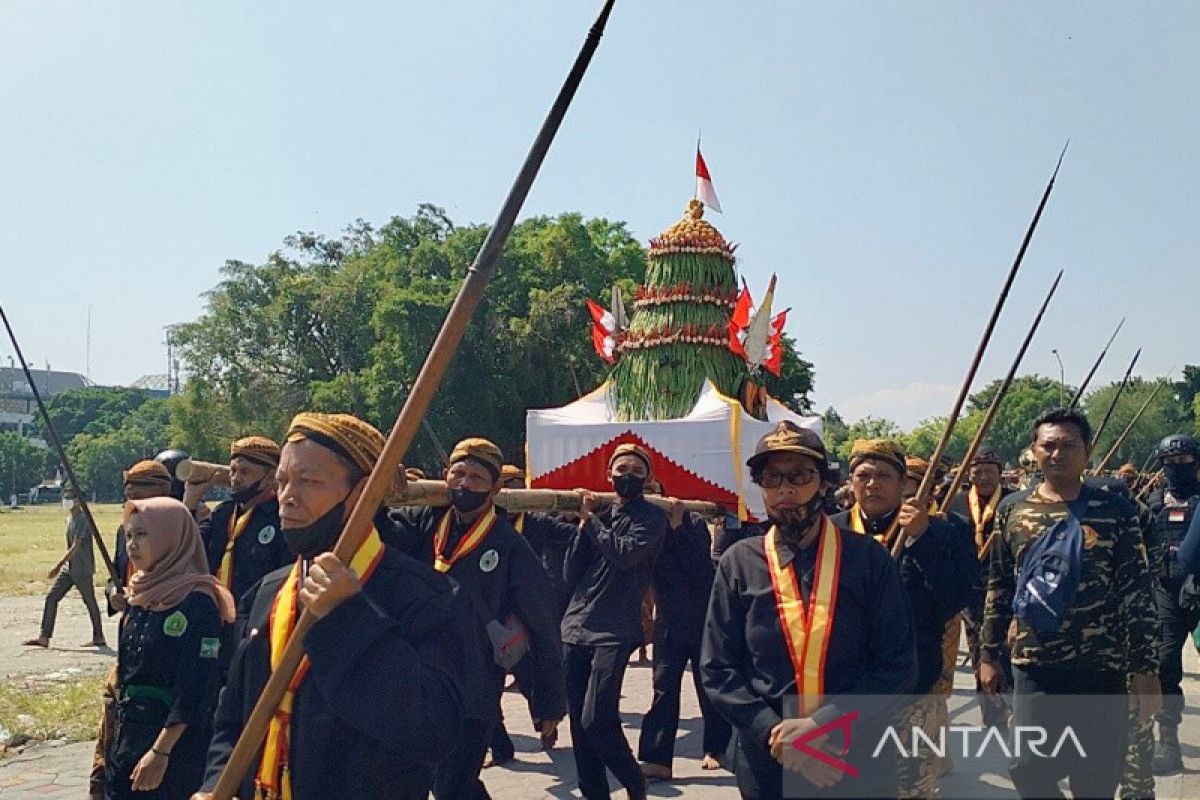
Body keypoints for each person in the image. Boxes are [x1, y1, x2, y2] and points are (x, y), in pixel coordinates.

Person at [197, 412, 470, 800]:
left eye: (308, 481)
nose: (287, 496)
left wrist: (348, 616)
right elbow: (231, 717)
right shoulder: (266, 594)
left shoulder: (424, 596)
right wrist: (214, 786)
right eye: (282, 481)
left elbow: (433, 731)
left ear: (361, 495)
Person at [702, 422, 917, 799]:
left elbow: (897, 666)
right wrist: (773, 731)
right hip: (769, 755)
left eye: (800, 475)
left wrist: (823, 726)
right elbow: (718, 669)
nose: (785, 489)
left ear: (824, 484)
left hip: (854, 750)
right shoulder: (739, 562)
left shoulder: (868, 559)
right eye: (771, 477)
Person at [980, 407, 1161, 799]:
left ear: (1087, 451)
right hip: (1034, 665)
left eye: (1068, 446)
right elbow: (998, 585)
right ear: (1034, 451)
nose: (1057, 454)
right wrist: (988, 653)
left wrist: (1146, 670)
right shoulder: (1012, 509)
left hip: (1101, 666)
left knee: (1095, 777)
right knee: (1026, 767)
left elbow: (1137, 591)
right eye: (1049, 446)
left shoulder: (1115, 511)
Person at [386, 438, 565, 798]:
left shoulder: (507, 544)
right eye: (459, 474)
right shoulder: (425, 520)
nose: (465, 484)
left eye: (477, 478)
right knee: (436, 782)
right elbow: (380, 541)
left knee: (454, 784)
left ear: (496, 486)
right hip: (417, 677)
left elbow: (543, 623)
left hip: (474, 684)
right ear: (445, 476)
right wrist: (381, 495)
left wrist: (548, 700)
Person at [831, 441, 974, 798]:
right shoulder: (829, 533)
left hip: (912, 688)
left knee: (912, 789)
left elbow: (954, 599)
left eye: (884, 476)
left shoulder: (938, 532)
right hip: (845, 691)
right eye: (864, 475)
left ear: (902, 483)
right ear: (850, 482)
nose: (873, 484)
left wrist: (922, 539)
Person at [105, 497, 236, 799]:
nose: (132, 545)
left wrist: (160, 752)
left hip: (174, 748)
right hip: (129, 740)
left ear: (170, 536)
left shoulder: (198, 602)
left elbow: (196, 686)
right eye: (128, 535)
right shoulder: (139, 597)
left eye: (142, 534)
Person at [561, 442, 667, 800]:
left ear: (649, 479)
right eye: (622, 470)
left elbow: (624, 555)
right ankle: (595, 793)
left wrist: (590, 521)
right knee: (578, 724)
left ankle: (634, 783)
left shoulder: (652, 518)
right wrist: (583, 524)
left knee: (597, 719)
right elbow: (570, 572)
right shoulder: (600, 515)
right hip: (576, 624)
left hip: (615, 629)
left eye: (637, 472)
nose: (628, 477)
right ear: (609, 475)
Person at [91, 460, 176, 800]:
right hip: (131, 646)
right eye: (128, 497)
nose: (133, 506)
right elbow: (117, 572)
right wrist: (114, 594)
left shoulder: (179, 526)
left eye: (141, 496)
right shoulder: (124, 528)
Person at [637, 486, 731, 781]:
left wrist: (677, 528)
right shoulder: (644, 526)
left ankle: (715, 748)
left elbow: (699, 569)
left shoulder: (692, 521)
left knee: (708, 686)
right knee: (664, 687)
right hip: (667, 619)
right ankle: (657, 759)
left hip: (701, 618)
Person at [489, 464, 576, 765]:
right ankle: (499, 746)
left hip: (528, 615)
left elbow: (573, 536)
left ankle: (546, 718)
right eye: (506, 487)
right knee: (487, 686)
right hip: (491, 614)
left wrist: (583, 512)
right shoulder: (485, 521)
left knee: (531, 677)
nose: (511, 496)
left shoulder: (537, 522)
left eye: (517, 487)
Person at [1142, 433, 1200, 774]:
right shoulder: (1152, 503)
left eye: (1185, 461)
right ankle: (1168, 741)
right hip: (1166, 590)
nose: (1178, 468)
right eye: (1171, 462)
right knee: (1165, 663)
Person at [948, 446, 1015, 729]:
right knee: (979, 651)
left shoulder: (1014, 501)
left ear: (1000, 473)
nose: (984, 477)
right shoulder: (956, 502)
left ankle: (1012, 705)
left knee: (1007, 649)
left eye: (990, 471)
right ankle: (993, 713)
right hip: (971, 590)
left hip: (1006, 586)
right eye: (978, 471)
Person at [194, 436, 289, 605]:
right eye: (233, 470)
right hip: (216, 618)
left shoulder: (281, 518)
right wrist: (190, 502)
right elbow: (194, 553)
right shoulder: (223, 514)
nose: (235, 478)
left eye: (245, 472)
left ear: (270, 477)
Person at [24, 486, 106, 649]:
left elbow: (76, 546)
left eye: (69, 497)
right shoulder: (69, 519)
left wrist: (57, 565)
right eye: (65, 497)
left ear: (77, 501)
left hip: (82, 568)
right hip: (70, 568)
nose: (66, 500)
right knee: (52, 597)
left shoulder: (83, 519)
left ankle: (98, 636)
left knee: (89, 601)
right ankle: (44, 636)